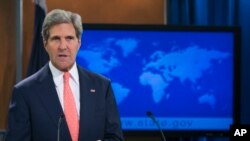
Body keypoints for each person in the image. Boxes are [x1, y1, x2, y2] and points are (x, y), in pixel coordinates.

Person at [5, 9, 124, 141]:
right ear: (45, 43)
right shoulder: (25, 92)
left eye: (69, 38)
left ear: (79, 43)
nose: (63, 46)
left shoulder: (102, 86)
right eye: (56, 39)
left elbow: (115, 138)